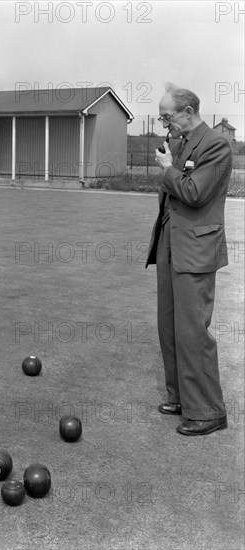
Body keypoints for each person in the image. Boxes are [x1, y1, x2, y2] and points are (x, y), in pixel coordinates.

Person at [146, 83, 232, 436]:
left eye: (168, 116)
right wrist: (172, 165)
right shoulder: (180, 143)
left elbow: (194, 193)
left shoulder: (216, 145)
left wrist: (168, 168)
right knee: (169, 327)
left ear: (187, 111)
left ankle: (209, 411)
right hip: (171, 243)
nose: (165, 124)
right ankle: (181, 396)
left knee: (193, 331)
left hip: (196, 250)